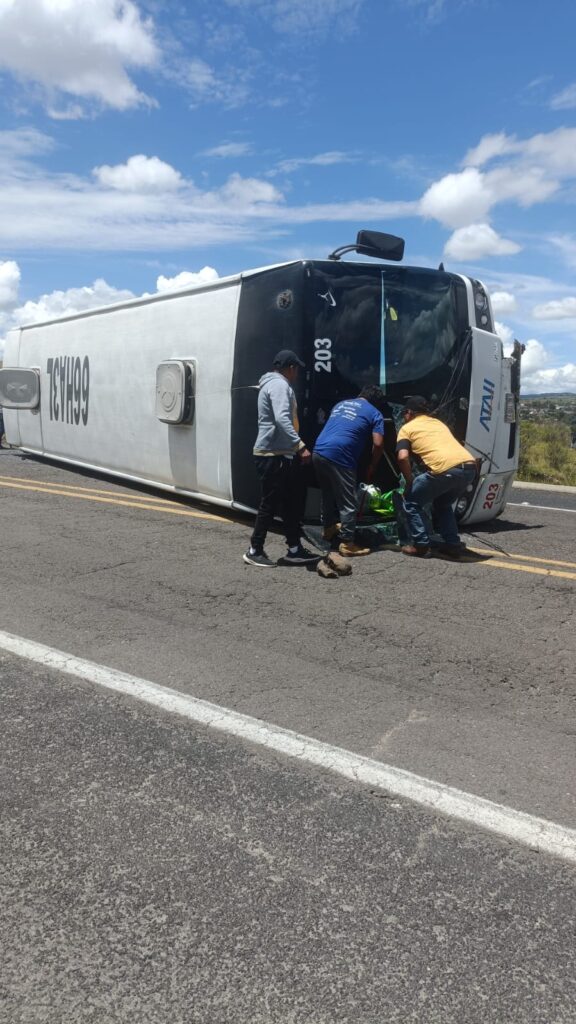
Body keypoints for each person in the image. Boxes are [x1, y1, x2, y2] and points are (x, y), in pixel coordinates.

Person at [243, 349, 319, 568]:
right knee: (270, 504)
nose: (296, 374)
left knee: (289, 503)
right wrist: (300, 446)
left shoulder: (272, 384)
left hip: (279, 454)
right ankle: (254, 550)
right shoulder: (279, 385)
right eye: (296, 369)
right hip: (272, 455)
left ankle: (294, 549)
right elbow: (281, 419)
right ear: (291, 368)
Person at [395, 395, 477, 558]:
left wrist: (410, 481)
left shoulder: (407, 428)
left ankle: (421, 545)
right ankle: (452, 544)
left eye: (404, 412)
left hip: (444, 469)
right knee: (443, 504)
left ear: (410, 412)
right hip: (469, 467)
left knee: (411, 502)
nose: (404, 416)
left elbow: (402, 457)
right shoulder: (439, 423)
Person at [313, 385, 387, 557]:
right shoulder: (375, 413)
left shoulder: (341, 404)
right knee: (348, 501)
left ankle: (328, 528)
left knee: (328, 492)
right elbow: (378, 444)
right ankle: (347, 543)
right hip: (341, 455)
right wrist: (373, 465)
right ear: (376, 402)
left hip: (319, 450)